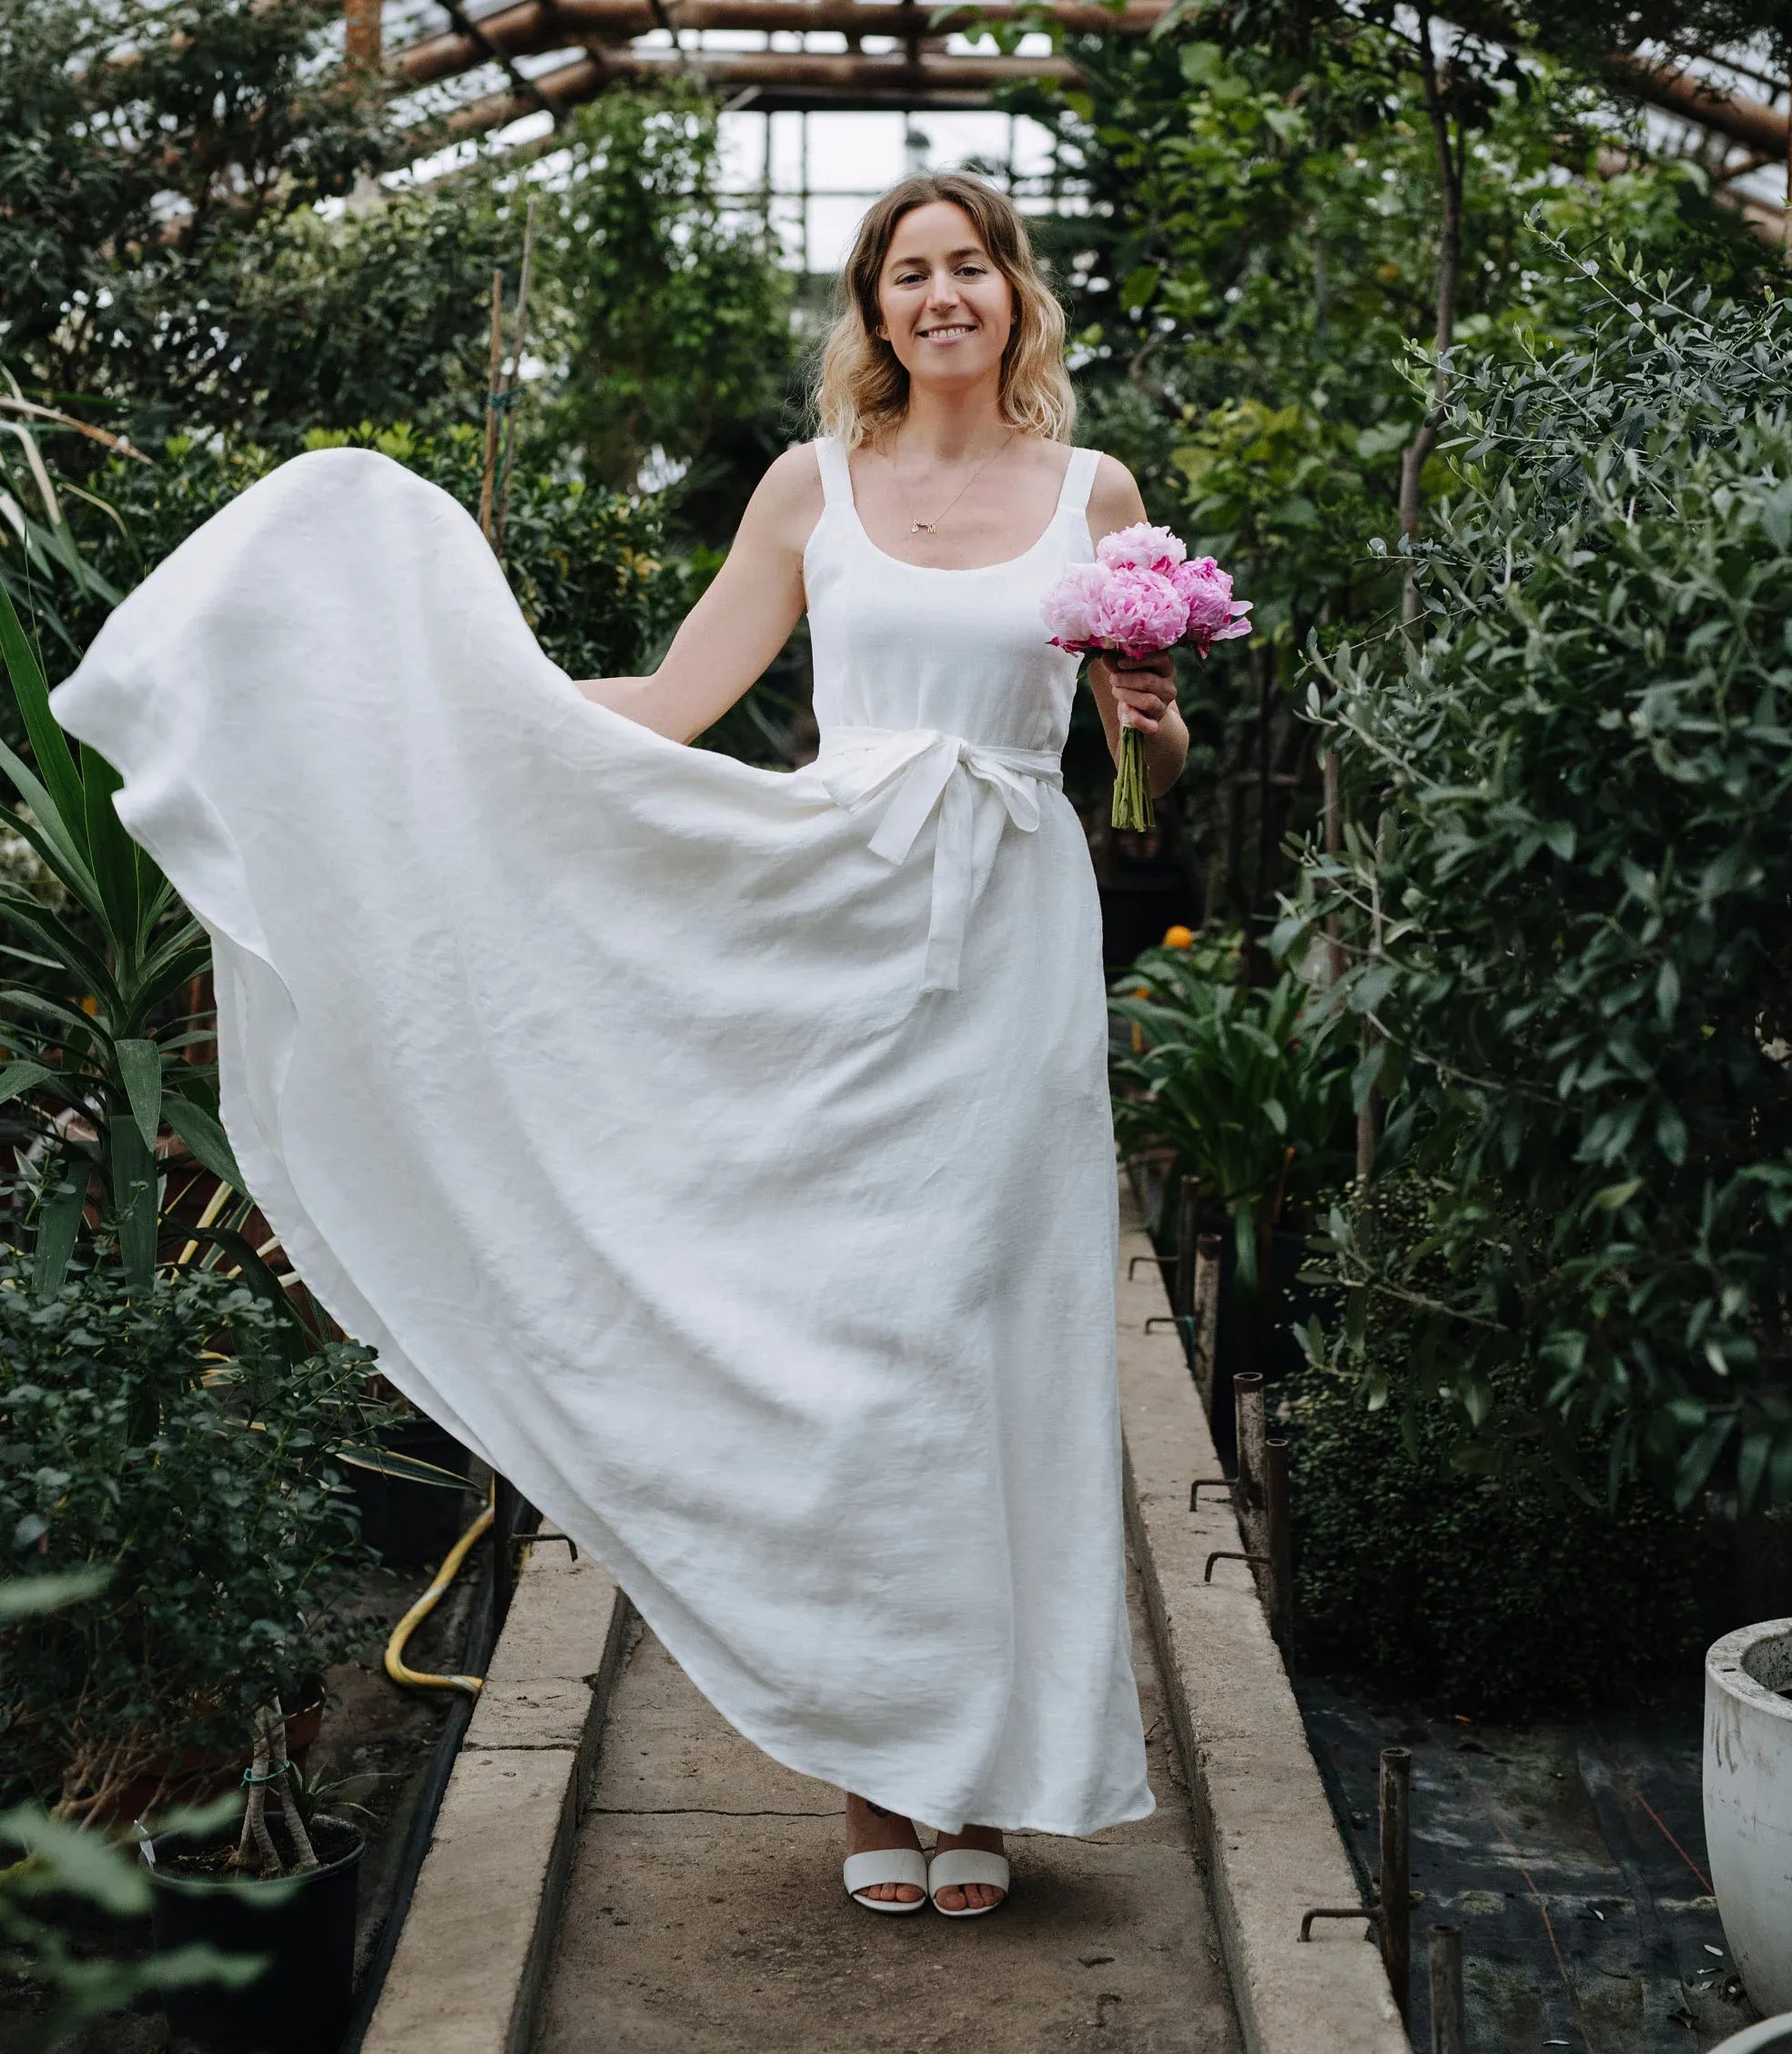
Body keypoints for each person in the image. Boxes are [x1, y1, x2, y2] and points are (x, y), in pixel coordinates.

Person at [52, 170, 1187, 1924]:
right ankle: (880, 1765)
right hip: (834, 923)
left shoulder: (1095, 497)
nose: (943, 296)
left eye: (971, 267)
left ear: (1015, 296)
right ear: (875, 313)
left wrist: (1155, 728)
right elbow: (670, 706)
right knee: (856, 1337)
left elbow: (1136, 782)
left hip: (1014, 946)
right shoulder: (815, 487)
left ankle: (990, 1778)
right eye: (910, 274)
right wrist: (461, 730)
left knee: (991, 1334)